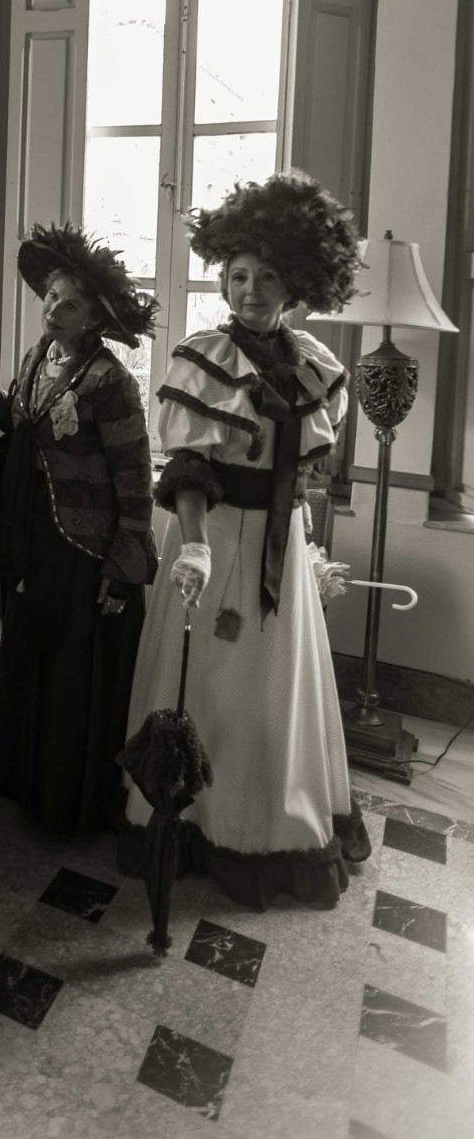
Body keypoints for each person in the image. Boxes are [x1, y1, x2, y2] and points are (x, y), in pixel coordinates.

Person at [119, 170, 372, 909]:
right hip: (218, 539)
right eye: (237, 275)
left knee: (275, 686)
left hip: (279, 548)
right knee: (211, 682)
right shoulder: (203, 357)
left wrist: (304, 538)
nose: (250, 290)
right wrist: (195, 545)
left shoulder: (315, 363)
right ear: (222, 280)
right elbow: (189, 467)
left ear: (294, 285)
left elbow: (302, 470)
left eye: (266, 277)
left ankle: (270, 818)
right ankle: (197, 817)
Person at [0, 223, 159, 834]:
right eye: (50, 297)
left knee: (71, 664)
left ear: (94, 317)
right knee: (26, 646)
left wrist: (124, 564)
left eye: (69, 304)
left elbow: (134, 476)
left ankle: (65, 798)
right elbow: (26, 426)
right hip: (30, 534)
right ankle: (18, 773)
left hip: (82, 547)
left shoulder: (111, 381)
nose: (53, 309)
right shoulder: (39, 355)